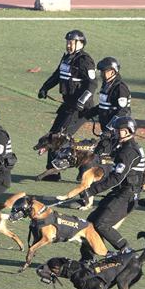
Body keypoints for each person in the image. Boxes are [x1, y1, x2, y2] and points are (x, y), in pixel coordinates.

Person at [37, 30, 97, 180]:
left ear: (81, 44)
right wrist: (45, 87)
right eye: (67, 42)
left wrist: (81, 101)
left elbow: (92, 84)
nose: (68, 45)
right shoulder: (67, 58)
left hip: (81, 109)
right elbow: (57, 75)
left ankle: (85, 167)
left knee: (61, 137)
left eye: (72, 42)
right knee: (53, 136)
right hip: (68, 105)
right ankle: (53, 171)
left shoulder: (85, 61)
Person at [82, 116, 145, 252]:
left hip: (128, 195)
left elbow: (117, 178)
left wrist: (91, 190)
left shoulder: (129, 151)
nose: (116, 132)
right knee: (90, 224)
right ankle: (87, 260)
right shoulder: (122, 146)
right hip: (119, 192)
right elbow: (102, 156)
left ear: (128, 131)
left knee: (102, 224)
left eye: (119, 130)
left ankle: (127, 252)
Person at [84, 57, 131, 144]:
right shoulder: (106, 85)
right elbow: (104, 105)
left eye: (103, 71)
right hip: (106, 130)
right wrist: (89, 113)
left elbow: (123, 111)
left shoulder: (120, 88)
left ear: (112, 72)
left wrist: (110, 129)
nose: (101, 74)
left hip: (116, 132)